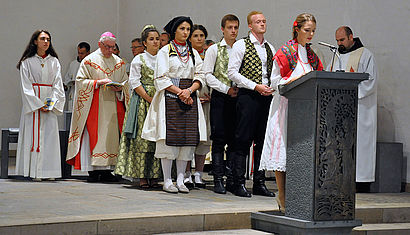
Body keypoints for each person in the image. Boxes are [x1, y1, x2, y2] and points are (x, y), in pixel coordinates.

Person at [260, 13, 323, 212]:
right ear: (297, 29)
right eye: (307, 30)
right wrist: (294, 82)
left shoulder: (313, 55)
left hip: (306, 109)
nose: (311, 34)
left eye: (313, 30)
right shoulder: (285, 52)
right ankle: (283, 195)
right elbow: (275, 82)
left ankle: (300, 196)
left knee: (302, 152)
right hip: (286, 106)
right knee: (283, 150)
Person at [142, 16, 207, 194]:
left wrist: (190, 90)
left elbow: (200, 74)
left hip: (189, 98)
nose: (185, 32)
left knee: (187, 140)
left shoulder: (193, 52)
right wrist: (180, 92)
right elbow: (161, 78)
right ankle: (167, 180)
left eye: (188, 29)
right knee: (168, 140)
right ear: (174, 31)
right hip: (171, 98)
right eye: (182, 29)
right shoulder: (165, 51)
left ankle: (180, 179)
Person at [66, 32, 129, 182]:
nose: (110, 51)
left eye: (113, 47)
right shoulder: (89, 61)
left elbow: (126, 83)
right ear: (100, 45)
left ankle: (108, 171)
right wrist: (96, 83)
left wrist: (120, 89)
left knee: (111, 137)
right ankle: (92, 171)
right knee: (94, 136)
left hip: (113, 106)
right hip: (93, 106)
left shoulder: (119, 62)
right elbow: (80, 82)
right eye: (107, 47)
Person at [227, 11, 277, 198]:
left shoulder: (270, 47)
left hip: (266, 97)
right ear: (250, 25)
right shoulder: (241, 44)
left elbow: (273, 73)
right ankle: (237, 181)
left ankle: (259, 182)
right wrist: (254, 86)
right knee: (243, 139)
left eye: (264, 21)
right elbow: (232, 72)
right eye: (258, 22)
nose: (262, 24)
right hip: (248, 96)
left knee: (262, 140)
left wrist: (271, 87)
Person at [327, 26, 377, 191]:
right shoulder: (336, 56)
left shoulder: (366, 55)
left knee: (360, 146)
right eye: (337, 41)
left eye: (342, 40)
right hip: (340, 109)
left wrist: (349, 95)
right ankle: (340, 178)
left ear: (351, 37)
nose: (339, 43)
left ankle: (361, 183)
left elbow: (370, 82)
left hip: (360, 109)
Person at [114, 25, 162, 188]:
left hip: (160, 99)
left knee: (157, 138)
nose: (155, 42)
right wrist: (149, 98)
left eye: (157, 39)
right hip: (143, 101)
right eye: (151, 39)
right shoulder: (139, 59)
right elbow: (134, 82)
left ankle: (155, 175)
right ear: (144, 43)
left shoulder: (164, 58)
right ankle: (141, 175)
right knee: (142, 139)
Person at [15, 30, 65, 181]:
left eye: (48, 39)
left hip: (49, 102)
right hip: (33, 104)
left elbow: (58, 84)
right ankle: (33, 171)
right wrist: (37, 104)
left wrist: (51, 103)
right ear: (35, 41)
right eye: (42, 39)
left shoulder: (54, 61)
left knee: (49, 137)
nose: (46, 42)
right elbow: (26, 86)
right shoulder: (27, 62)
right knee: (32, 135)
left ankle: (49, 172)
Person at [202, 14, 240, 194]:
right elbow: (208, 74)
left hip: (238, 98)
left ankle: (232, 178)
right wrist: (226, 89)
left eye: (235, 28)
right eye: (230, 28)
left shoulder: (242, 48)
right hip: (220, 97)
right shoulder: (214, 49)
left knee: (235, 139)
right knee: (218, 139)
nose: (233, 31)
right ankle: (218, 179)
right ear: (223, 29)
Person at [184, 24, 211, 189]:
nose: (199, 38)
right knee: (188, 138)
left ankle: (199, 174)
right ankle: (186, 173)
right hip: (190, 101)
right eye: (196, 36)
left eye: (202, 35)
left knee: (204, 138)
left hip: (207, 102)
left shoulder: (210, 54)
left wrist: (211, 97)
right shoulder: (186, 55)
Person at [64, 42, 90, 111]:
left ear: (88, 53)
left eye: (82, 53)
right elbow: (67, 78)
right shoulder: (73, 64)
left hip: (85, 96)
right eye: (79, 53)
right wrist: (66, 85)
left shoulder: (91, 65)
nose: (80, 55)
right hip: (73, 94)